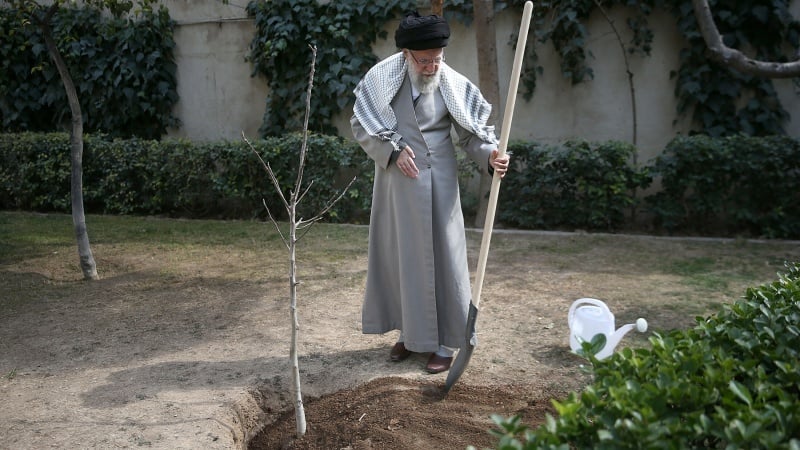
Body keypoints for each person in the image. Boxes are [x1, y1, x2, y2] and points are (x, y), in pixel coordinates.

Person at [350, 11, 510, 374]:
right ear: (406, 55)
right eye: (423, 60)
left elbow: (472, 136)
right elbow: (362, 124)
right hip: (395, 186)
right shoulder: (380, 78)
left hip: (439, 183)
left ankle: (446, 342)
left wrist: (492, 156)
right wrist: (390, 153)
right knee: (401, 259)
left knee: (444, 262)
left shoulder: (452, 83)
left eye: (436, 59)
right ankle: (411, 335)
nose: (430, 67)